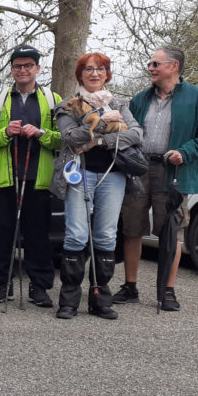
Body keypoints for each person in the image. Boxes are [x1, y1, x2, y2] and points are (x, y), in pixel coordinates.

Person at [113, 46, 198, 311]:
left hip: (174, 171)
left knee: (171, 232)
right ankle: (130, 286)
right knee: (132, 228)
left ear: (173, 66)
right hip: (139, 170)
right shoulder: (140, 98)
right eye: (150, 64)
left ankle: (168, 291)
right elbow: (128, 131)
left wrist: (185, 153)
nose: (150, 68)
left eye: (155, 63)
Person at [51, 52, 142, 320]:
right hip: (78, 173)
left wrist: (99, 141)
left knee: (106, 236)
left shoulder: (120, 102)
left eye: (100, 69)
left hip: (112, 175)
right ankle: (68, 301)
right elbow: (70, 138)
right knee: (76, 235)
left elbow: (136, 134)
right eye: (88, 69)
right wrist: (104, 123)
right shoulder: (67, 104)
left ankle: (100, 298)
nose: (94, 74)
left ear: (107, 74)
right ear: (80, 74)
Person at [0, 45, 62, 307]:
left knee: (38, 234)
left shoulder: (53, 99)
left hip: (38, 178)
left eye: (28, 65)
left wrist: (42, 134)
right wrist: (4, 132)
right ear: (11, 69)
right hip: (5, 178)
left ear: (37, 68)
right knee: (2, 233)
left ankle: (39, 286)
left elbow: (63, 140)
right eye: (17, 66)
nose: (22, 70)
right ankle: (3, 284)